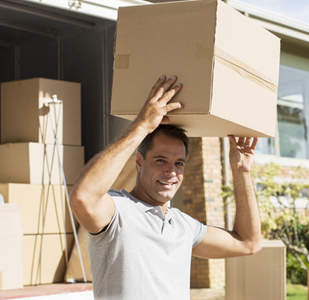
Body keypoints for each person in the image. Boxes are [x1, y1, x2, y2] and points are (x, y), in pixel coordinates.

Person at [69, 75, 262, 300]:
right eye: (160, 160)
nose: (171, 172)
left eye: (178, 163)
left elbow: (249, 243)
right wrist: (141, 126)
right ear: (139, 162)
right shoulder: (118, 211)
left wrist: (242, 172)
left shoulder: (183, 226)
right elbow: (83, 197)